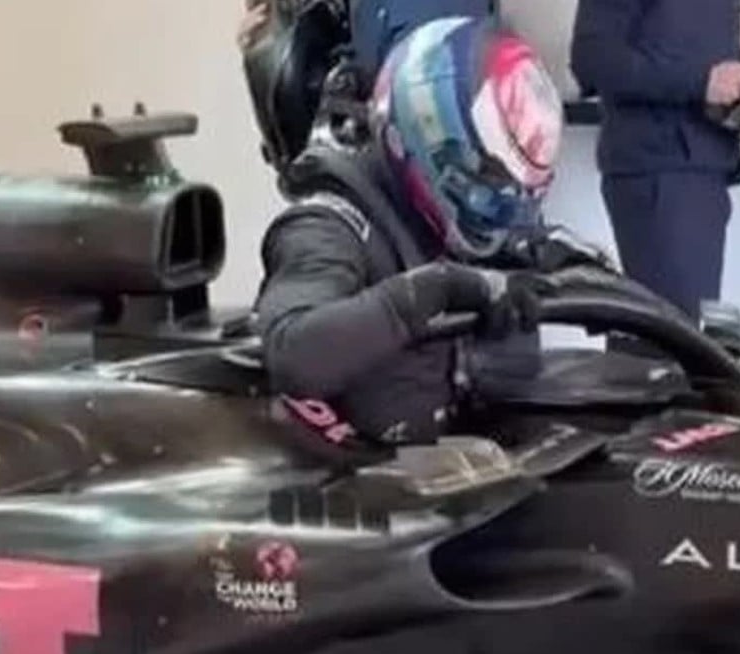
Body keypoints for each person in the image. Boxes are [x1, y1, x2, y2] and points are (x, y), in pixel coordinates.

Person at [252, 17, 603, 447]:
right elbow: (293, 355)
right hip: (370, 473)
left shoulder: (490, 221)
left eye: (513, 187)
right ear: (432, 136)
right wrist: (439, 289)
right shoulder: (327, 227)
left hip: (481, 458)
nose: (497, 202)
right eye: (486, 180)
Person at [570, 0, 740, 321]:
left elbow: (706, 50)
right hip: (659, 170)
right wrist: (701, 81)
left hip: (706, 169)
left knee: (679, 332)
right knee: (675, 332)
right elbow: (592, 58)